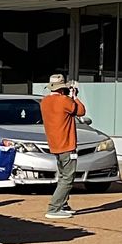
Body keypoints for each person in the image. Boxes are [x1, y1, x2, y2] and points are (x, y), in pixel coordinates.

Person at [40, 73, 86, 219]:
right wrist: (74, 96)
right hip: (66, 144)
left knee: (62, 175)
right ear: (62, 88)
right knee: (68, 177)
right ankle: (54, 208)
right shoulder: (65, 101)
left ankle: (63, 205)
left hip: (54, 144)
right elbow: (81, 111)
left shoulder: (44, 102)